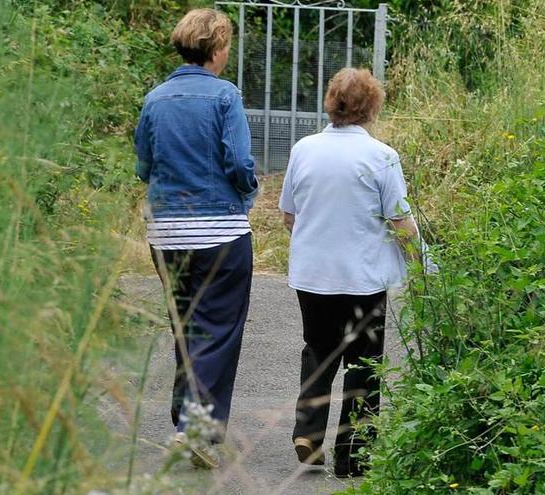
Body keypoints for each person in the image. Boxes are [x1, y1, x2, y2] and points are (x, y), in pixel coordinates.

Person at [133, 8, 258, 469]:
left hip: (166, 234)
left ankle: (187, 420)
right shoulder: (225, 97)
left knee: (186, 328)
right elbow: (240, 162)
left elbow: (143, 165)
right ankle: (195, 429)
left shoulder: (155, 98)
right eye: (227, 46)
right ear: (216, 48)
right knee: (219, 331)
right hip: (219, 232)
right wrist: (248, 192)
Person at [278, 68, 419, 477]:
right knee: (363, 362)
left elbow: (289, 214)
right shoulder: (381, 157)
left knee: (319, 350)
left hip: (312, 273)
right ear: (372, 106)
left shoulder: (304, 149)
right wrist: (425, 263)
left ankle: (308, 431)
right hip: (363, 277)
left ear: (331, 102)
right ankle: (353, 454)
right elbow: (401, 222)